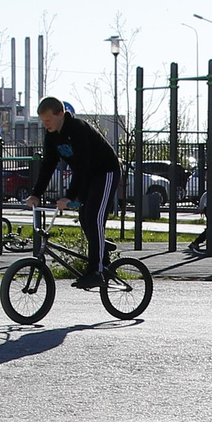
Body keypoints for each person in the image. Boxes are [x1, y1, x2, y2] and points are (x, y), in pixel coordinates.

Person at [31, 97, 122, 287]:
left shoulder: (78, 129)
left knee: (94, 217)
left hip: (105, 172)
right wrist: (36, 194)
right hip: (89, 176)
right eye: (43, 121)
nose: (45, 124)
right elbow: (48, 165)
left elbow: (82, 165)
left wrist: (69, 196)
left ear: (60, 114)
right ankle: (102, 251)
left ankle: (95, 272)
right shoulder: (52, 135)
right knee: (84, 217)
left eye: (48, 120)